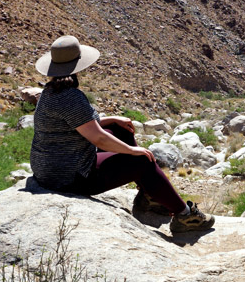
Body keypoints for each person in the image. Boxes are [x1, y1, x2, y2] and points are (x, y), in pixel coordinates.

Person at [29, 35, 215, 233]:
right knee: (143, 161)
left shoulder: (50, 92)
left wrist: (113, 120)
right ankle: (185, 216)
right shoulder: (70, 97)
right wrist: (132, 151)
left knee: (119, 129)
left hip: (51, 169)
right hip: (68, 178)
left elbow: (79, 125)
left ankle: (150, 196)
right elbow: (98, 138)